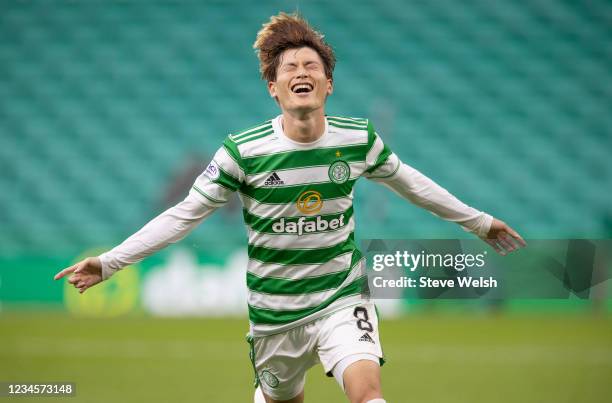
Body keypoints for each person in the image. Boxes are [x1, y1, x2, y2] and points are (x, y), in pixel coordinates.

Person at [54, 12, 526, 403]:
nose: (302, 72)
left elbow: (412, 185)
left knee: (368, 394)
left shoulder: (357, 140)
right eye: (290, 68)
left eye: (311, 65)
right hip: (274, 316)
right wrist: (111, 262)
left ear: (329, 83)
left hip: (341, 296)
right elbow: (183, 215)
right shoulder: (243, 153)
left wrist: (479, 222)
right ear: (274, 89)